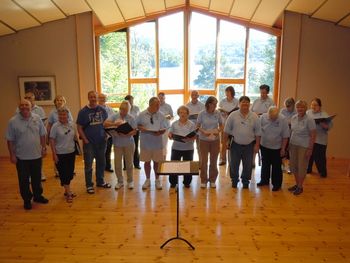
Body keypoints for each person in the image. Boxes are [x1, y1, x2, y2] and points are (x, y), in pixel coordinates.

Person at [6, 99, 49, 210]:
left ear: (31, 106)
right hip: (21, 157)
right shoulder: (13, 121)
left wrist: (44, 148)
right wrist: (12, 155)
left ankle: (38, 196)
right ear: (19, 107)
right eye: (22, 105)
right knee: (23, 180)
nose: (24, 107)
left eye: (27, 105)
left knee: (37, 178)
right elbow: (10, 140)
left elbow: (42, 134)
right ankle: (27, 200)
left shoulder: (37, 118)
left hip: (36, 155)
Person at [77, 91, 111, 194]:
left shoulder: (102, 110)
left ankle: (100, 181)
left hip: (101, 141)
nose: (93, 99)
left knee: (101, 163)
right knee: (88, 165)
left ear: (97, 98)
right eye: (91, 97)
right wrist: (85, 140)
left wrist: (106, 134)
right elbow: (79, 127)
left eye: (94, 97)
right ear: (88, 98)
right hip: (89, 143)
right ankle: (89, 185)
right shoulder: (83, 111)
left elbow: (106, 124)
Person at [224, 96, 261, 189]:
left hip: (249, 145)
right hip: (235, 144)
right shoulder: (233, 115)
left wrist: (257, 145)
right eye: (243, 102)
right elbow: (226, 130)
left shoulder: (254, 116)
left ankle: (245, 181)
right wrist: (224, 143)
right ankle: (234, 180)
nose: (245, 104)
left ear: (249, 104)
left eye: (247, 102)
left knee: (248, 164)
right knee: (234, 163)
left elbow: (258, 132)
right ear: (239, 104)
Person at [137, 97, 168, 190]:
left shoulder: (161, 115)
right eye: (156, 105)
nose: (159, 106)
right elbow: (137, 125)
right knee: (147, 162)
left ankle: (157, 180)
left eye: (159, 104)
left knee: (157, 163)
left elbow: (165, 127)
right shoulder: (142, 114)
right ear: (150, 105)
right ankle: (147, 180)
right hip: (145, 143)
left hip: (157, 143)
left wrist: (161, 131)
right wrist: (141, 128)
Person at [104, 101, 137, 190]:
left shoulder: (131, 117)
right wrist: (114, 124)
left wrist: (126, 134)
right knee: (117, 164)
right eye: (122, 109)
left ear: (128, 110)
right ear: (120, 109)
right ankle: (120, 181)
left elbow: (135, 131)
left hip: (129, 143)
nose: (123, 112)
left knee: (129, 163)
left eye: (126, 110)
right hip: (117, 144)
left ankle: (130, 181)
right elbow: (105, 123)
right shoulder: (115, 116)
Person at [257, 106, 289, 191]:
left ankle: (277, 184)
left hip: (277, 147)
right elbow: (258, 132)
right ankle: (264, 180)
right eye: (271, 117)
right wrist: (257, 145)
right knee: (265, 164)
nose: (273, 119)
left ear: (278, 114)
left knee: (276, 166)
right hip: (264, 145)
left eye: (275, 118)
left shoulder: (283, 119)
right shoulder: (263, 117)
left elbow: (285, 136)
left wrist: (283, 149)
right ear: (268, 114)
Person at [49, 107, 77, 203]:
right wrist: (54, 154)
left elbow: (75, 137)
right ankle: (69, 193)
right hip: (60, 153)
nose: (62, 116)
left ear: (67, 115)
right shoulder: (55, 126)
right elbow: (52, 140)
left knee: (69, 173)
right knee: (64, 173)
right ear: (58, 116)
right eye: (60, 115)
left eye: (64, 114)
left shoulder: (71, 124)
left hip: (71, 152)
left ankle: (66, 190)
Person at [288, 100, 316, 195]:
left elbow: (313, 135)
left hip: (304, 146)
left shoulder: (310, 119)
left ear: (306, 108)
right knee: (294, 166)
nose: (300, 109)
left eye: (302, 107)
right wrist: (289, 145)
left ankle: (300, 186)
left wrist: (310, 149)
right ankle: (297, 184)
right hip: (293, 144)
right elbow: (292, 131)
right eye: (298, 107)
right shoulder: (294, 118)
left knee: (302, 167)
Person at [197, 96, 224, 188]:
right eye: (213, 104)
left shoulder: (218, 113)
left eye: (216, 104)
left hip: (215, 140)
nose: (215, 106)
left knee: (214, 160)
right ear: (208, 104)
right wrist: (204, 131)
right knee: (204, 161)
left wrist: (218, 131)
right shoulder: (202, 113)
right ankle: (203, 180)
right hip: (203, 140)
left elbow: (221, 125)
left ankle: (212, 180)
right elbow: (197, 126)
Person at [20, 92, 47, 181]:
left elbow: (43, 123)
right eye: (26, 97)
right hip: (24, 137)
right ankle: (29, 176)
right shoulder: (19, 109)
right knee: (26, 157)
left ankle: (40, 173)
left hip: (37, 136)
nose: (28, 99)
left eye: (30, 97)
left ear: (33, 99)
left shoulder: (40, 110)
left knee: (38, 156)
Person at [168, 106, 197, 188]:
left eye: (184, 113)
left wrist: (190, 138)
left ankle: (187, 182)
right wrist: (170, 135)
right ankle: (173, 182)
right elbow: (170, 133)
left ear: (188, 114)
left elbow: (195, 136)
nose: (182, 114)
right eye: (181, 112)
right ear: (178, 114)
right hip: (176, 147)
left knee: (187, 166)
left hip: (188, 148)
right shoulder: (174, 124)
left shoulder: (192, 124)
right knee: (174, 165)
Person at [47, 95, 73, 177]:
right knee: (57, 153)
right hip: (56, 135)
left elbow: (71, 122)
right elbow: (49, 125)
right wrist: (48, 136)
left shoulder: (68, 110)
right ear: (55, 102)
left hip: (66, 135)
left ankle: (68, 170)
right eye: (57, 100)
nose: (59, 101)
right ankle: (57, 170)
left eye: (61, 100)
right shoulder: (52, 112)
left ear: (64, 102)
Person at [306, 98, 333, 177]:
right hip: (310, 138)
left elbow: (329, 127)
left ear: (320, 106)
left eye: (315, 105)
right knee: (309, 155)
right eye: (312, 105)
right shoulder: (308, 113)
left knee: (319, 157)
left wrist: (323, 124)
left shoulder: (324, 114)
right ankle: (308, 169)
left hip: (320, 139)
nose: (313, 106)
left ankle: (322, 172)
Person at [218, 86, 239, 166]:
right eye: (226, 92)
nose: (227, 93)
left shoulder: (236, 101)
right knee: (223, 142)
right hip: (224, 123)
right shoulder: (223, 101)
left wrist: (230, 113)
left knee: (232, 143)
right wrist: (223, 112)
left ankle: (232, 159)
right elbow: (219, 110)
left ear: (232, 92)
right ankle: (223, 159)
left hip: (233, 124)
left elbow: (238, 111)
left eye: (228, 92)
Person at [186, 90, 205, 164]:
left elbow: (204, 116)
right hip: (190, 129)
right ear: (191, 96)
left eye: (195, 95)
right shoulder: (187, 105)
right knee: (189, 146)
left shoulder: (202, 105)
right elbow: (185, 117)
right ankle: (189, 162)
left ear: (198, 96)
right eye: (192, 95)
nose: (193, 96)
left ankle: (201, 163)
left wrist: (198, 116)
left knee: (199, 147)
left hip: (200, 128)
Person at [98, 93, 115, 173]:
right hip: (100, 132)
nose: (102, 99)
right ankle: (101, 167)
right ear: (98, 99)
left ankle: (108, 166)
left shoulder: (110, 109)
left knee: (108, 150)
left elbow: (113, 119)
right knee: (101, 151)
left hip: (109, 131)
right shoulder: (96, 109)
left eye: (104, 98)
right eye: (101, 98)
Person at [280, 97, 296, 173]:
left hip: (293, 135)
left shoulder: (296, 112)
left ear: (293, 105)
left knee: (291, 152)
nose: (287, 108)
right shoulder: (283, 111)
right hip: (284, 135)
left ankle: (290, 167)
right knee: (283, 150)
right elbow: (280, 121)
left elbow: (296, 123)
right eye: (286, 106)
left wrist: (290, 123)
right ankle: (283, 166)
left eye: (289, 106)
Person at [124, 95, 141, 169]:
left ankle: (136, 164)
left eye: (132, 100)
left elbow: (139, 118)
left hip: (135, 129)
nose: (131, 102)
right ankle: (125, 165)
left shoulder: (137, 108)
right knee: (126, 147)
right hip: (126, 130)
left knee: (136, 147)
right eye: (129, 100)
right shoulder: (124, 108)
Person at [158, 92, 174, 159]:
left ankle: (164, 159)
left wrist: (169, 117)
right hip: (157, 128)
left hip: (166, 128)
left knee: (164, 145)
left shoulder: (168, 106)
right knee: (158, 145)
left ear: (164, 98)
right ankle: (158, 160)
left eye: (162, 98)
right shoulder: (156, 106)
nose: (160, 99)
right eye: (159, 98)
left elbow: (172, 117)